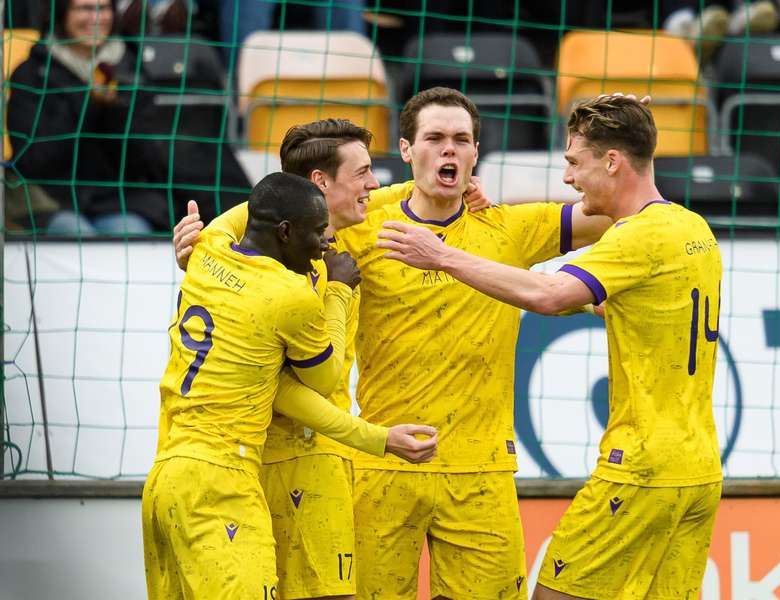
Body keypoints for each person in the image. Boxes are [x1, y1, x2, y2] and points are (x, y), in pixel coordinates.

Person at [378, 95, 723, 599]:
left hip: (640, 465)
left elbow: (547, 294)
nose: (567, 177)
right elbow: (623, 303)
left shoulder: (635, 239)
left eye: (573, 162)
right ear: (409, 149)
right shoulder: (694, 230)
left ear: (611, 161)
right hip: (700, 470)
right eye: (435, 139)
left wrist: (442, 256)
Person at [172, 117, 487, 600]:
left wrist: (458, 185)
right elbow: (310, 384)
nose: (373, 185)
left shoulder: (238, 243)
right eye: (362, 172)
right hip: (301, 455)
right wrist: (377, 438)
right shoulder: (297, 278)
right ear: (320, 183)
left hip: (236, 460)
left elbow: (260, 211)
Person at [143, 172, 438, 599]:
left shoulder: (210, 248)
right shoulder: (289, 295)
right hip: (222, 480)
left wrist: (414, 188)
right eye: (318, 231)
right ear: (285, 231)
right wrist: (337, 290)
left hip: (166, 475)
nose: (325, 243)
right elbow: (323, 380)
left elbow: (259, 203)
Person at [7, 0, 169, 234]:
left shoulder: (131, 69)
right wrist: (87, 105)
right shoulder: (31, 74)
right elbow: (32, 161)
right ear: (62, 13)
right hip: (50, 199)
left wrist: (115, 110)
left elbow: (147, 161)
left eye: (102, 8)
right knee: (75, 232)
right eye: (84, 8)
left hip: (117, 200)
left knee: (132, 230)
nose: (95, 18)